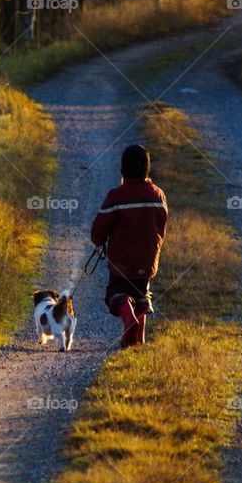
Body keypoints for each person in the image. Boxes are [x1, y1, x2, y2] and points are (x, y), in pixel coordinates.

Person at [90, 144, 168, 347]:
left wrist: (99, 241)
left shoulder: (116, 196)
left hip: (121, 262)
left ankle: (129, 320)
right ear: (147, 169)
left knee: (116, 296)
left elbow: (99, 229)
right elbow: (162, 226)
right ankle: (137, 340)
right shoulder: (158, 195)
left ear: (123, 170)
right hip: (148, 260)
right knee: (141, 296)